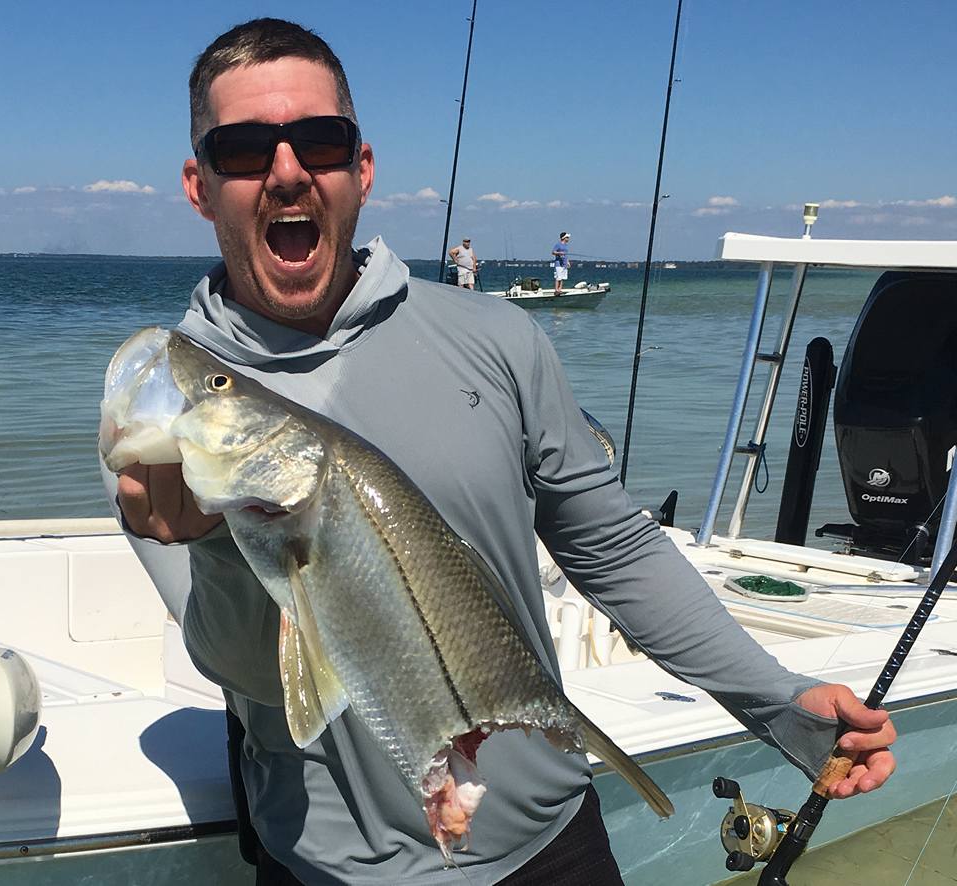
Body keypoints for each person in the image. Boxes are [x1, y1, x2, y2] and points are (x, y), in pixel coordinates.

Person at [105, 18, 897, 886]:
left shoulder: (496, 337)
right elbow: (247, 672)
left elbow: (615, 548)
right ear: (200, 184)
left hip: (552, 848)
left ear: (361, 169)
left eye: (320, 141)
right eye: (245, 149)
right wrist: (221, 545)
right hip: (328, 870)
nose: (287, 171)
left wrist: (778, 700)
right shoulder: (163, 409)